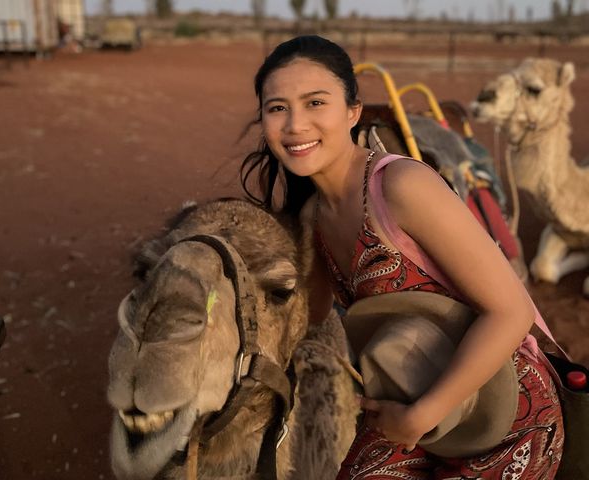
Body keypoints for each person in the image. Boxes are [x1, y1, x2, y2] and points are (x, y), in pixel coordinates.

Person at [240, 35, 563, 479]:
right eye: (278, 108)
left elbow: (511, 312)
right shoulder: (311, 218)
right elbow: (308, 317)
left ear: (353, 111)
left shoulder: (400, 187)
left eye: (315, 103)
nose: (295, 124)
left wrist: (422, 415)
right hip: (406, 393)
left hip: (500, 408)